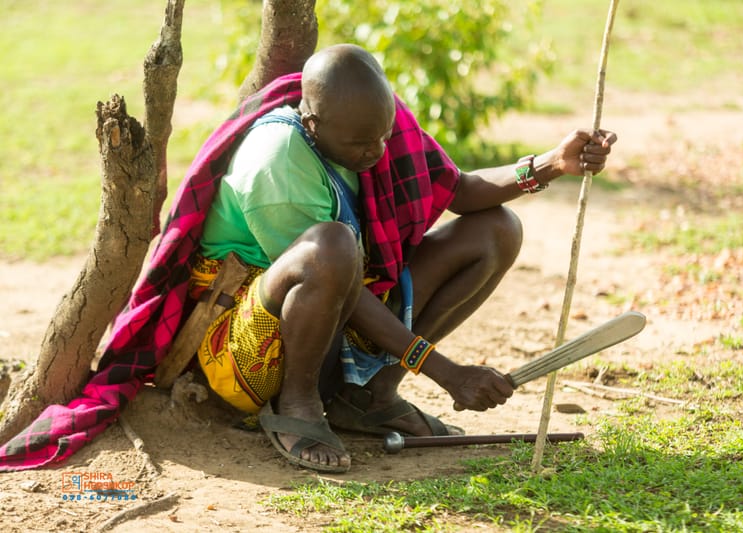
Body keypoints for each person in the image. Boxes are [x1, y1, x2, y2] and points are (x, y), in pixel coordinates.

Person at [188, 43, 617, 473]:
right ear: (313, 123)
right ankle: (298, 403)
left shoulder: (377, 125)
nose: (376, 152)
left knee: (497, 231)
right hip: (241, 346)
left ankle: (371, 396)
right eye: (360, 144)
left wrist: (552, 165)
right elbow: (338, 283)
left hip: (337, 306)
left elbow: (461, 190)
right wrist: (447, 373)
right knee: (331, 248)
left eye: (384, 135)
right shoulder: (278, 160)